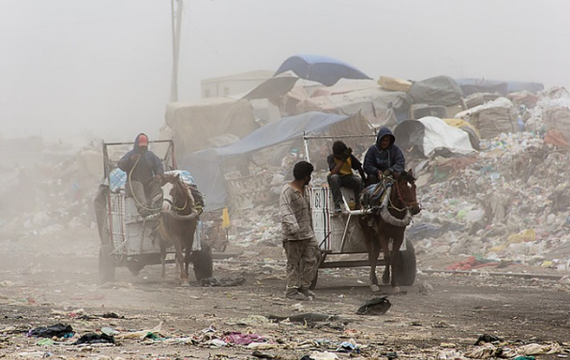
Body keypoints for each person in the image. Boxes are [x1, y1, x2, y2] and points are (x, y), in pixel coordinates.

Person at [279, 161, 321, 301]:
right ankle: (291, 290)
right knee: (293, 263)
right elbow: (285, 211)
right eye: (309, 175)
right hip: (293, 236)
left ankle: (303, 286)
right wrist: (294, 227)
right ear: (306, 176)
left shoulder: (305, 190)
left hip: (307, 233)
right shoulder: (287, 190)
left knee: (314, 258)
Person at [118, 133, 164, 217]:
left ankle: (156, 206)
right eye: (141, 146)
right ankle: (143, 209)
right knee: (138, 186)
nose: (143, 148)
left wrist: (159, 174)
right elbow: (121, 165)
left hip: (148, 183)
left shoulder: (150, 155)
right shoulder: (130, 155)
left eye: (144, 146)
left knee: (156, 184)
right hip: (133, 183)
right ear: (137, 145)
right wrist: (130, 160)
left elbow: (159, 165)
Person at [327, 141, 366, 213]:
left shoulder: (349, 157)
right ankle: (338, 204)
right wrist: (342, 160)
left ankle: (358, 203)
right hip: (336, 179)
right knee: (334, 178)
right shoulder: (331, 157)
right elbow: (334, 172)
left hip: (347, 178)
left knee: (357, 180)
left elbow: (359, 167)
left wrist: (364, 180)